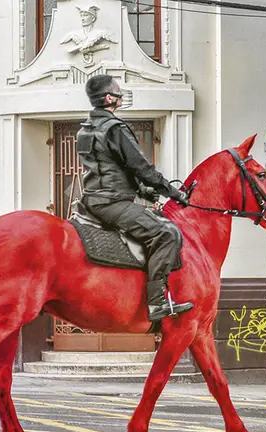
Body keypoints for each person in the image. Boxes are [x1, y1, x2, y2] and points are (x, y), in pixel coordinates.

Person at [76, 74, 194, 322]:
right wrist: (173, 191)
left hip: (92, 200)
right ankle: (157, 302)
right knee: (166, 234)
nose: (121, 94)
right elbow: (141, 168)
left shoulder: (85, 129)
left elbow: (112, 170)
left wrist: (145, 193)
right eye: (118, 91)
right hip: (111, 204)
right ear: (109, 98)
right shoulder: (115, 128)